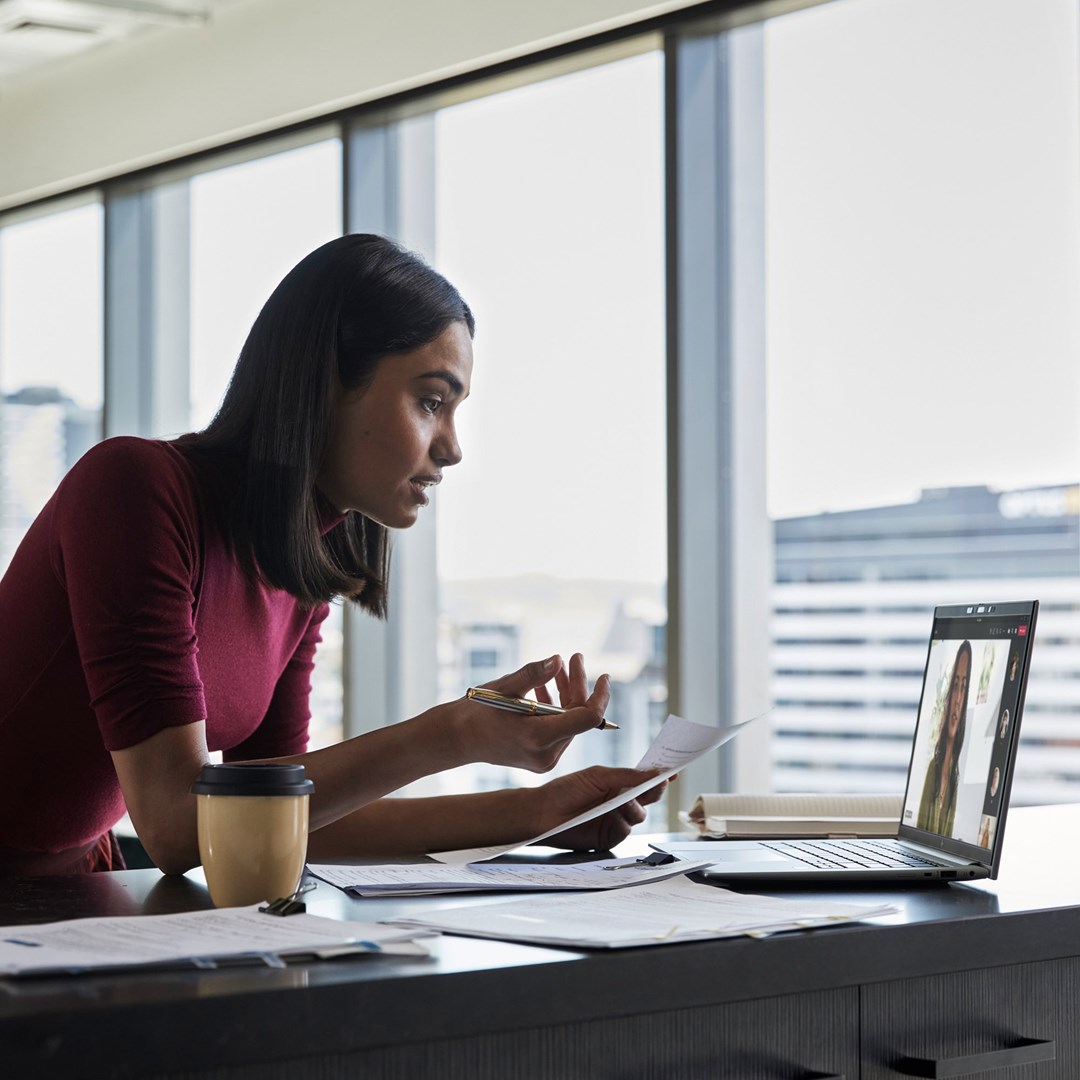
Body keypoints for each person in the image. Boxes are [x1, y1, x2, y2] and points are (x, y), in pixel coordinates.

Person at [0, 234, 667, 876]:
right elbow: (178, 823)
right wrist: (453, 734)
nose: (452, 448)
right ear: (326, 384)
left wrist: (536, 814)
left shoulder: (300, 564)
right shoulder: (134, 490)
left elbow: (284, 816)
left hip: (66, 888)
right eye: (430, 402)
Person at [916, 640, 972, 835]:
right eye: (955, 685)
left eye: (964, 687)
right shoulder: (934, 768)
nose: (958, 700)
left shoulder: (954, 781)